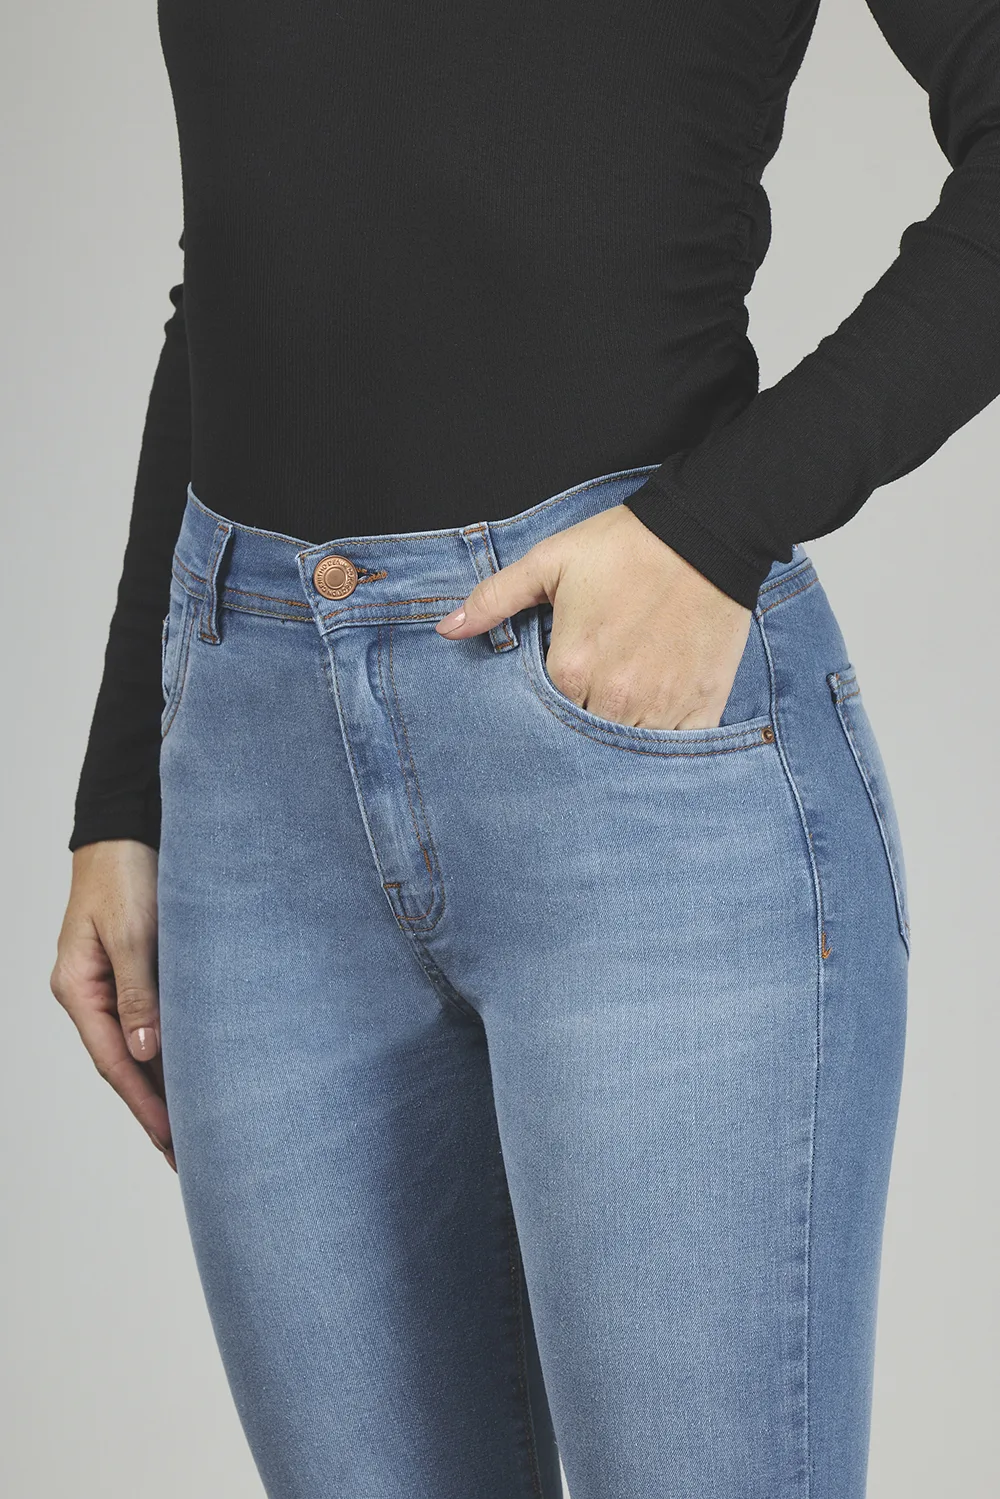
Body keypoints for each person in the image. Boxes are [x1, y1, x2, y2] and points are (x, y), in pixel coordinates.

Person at [51, 1, 997, 1495]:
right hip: (256, 783)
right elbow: (236, 269)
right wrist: (126, 788)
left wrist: (719, 527)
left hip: (633, 770)